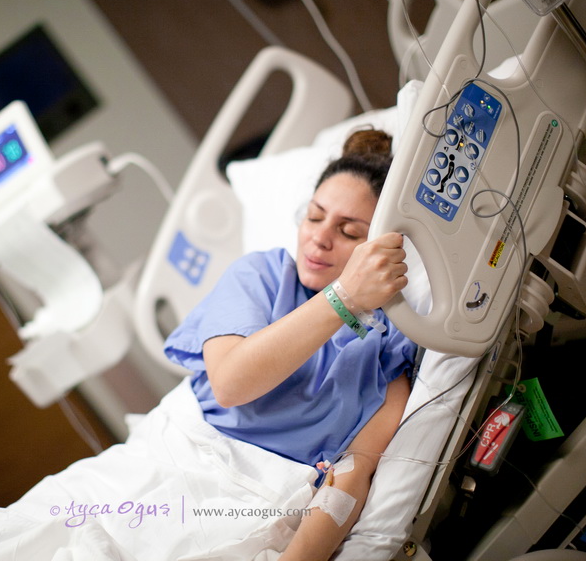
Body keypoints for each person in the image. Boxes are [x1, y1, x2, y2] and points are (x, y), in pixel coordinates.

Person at [163, 131, 414, 560]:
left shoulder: (387, 344)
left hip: (255, 500)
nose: (320, 238)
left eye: (348, 231)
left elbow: (353, 472)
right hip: (180, 457)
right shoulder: (261, 277)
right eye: (314, 217)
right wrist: (343, 297)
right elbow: (230, 385)